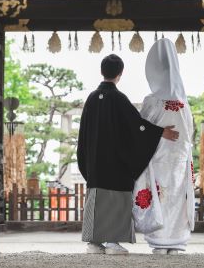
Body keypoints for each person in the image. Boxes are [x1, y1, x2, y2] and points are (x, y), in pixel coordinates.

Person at [77, 54, 179, 255]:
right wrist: (160, 132)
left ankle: (94, 244)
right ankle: (113, 243)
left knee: (96, 198)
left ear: (101, 71)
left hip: (96, 162)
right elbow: (137, 126)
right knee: (116, 199)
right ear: (120, 74)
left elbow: (83, 133)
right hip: (115, 163)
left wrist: (86, 159)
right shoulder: (118, 98)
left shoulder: (91, 98)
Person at [133, 39, 195, 255]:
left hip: (156, 156)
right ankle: (176, 241)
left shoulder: (151, 101)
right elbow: (190, 132)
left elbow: (139, 128)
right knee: (177, 198)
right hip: (179, 158)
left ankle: (160, 241)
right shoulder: (184, 103)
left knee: (160, 196)